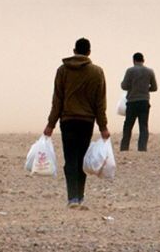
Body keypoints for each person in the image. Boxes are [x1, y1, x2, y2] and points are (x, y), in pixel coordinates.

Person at [43, 38, 111, 209]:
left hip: (67, 121)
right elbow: (100, 103)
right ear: (89, 52)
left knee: (70, 159)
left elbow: (57, 100)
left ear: (74, 50)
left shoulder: (62, 71)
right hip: (86, 122)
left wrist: (51, 124)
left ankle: (72, 197)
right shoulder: (97, 72)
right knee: (82, 159)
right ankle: (80, 196)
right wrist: (103, 127)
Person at [119, 52, 158, 152]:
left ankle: (124, 148)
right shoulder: (150, 71)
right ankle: (142, 148)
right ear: (143, 60)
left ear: (133, 60)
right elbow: (154, 87)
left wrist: (133, 87)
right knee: (143, 126)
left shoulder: (130, 71)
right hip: (144, 101)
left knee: (128, 126)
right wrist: (145, 89)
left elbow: (124, 86)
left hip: (132, 101)